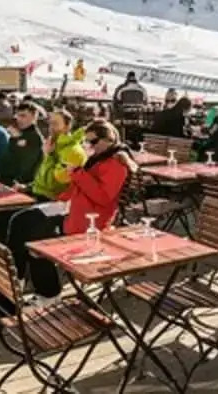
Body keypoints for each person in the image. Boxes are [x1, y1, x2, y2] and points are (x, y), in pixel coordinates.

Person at [13, 120, 131, 301]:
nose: (88, 145)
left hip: (90, 220)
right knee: (21, 220)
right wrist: (60, 197)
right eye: (86, 141)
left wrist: (78, 173)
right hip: (74, 210)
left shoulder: (116, 164)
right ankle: (17, 277)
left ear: (108, 140)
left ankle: (48, 292)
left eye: (92, 141)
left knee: (36, 239)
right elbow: (76, 187)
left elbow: (103, 197)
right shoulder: (96, 159)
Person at [32, 109, 87, 201]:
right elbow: (42, 179)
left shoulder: (73, 151)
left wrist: (48, 155)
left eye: (55, 124)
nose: (51, 127)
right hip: (39, 194)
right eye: (50, 123)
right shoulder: (54, 144)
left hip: (55, 201)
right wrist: (28, 187)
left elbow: (54, 184)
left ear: (67, 127)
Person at [0, 102, 44, 188]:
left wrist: (16, 139)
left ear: (34, 117)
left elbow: (25, 166)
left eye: (23, 116)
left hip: (17, 185)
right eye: (18, 115)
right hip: (4, 180)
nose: (19, 119)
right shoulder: (19, 133)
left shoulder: (35, 138)